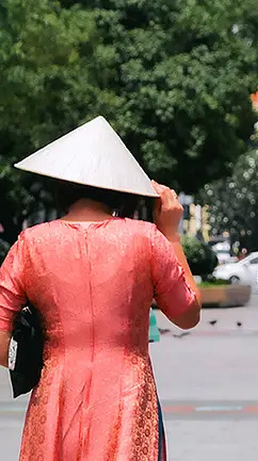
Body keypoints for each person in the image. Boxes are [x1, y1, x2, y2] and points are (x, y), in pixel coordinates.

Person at [0, 116, 201, 461]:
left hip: (56, 396)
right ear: (118, 187)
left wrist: (41, 363)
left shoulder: (31, 244)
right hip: (128, 394)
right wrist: (170, 233)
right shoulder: (146, 239)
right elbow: (187, 314)